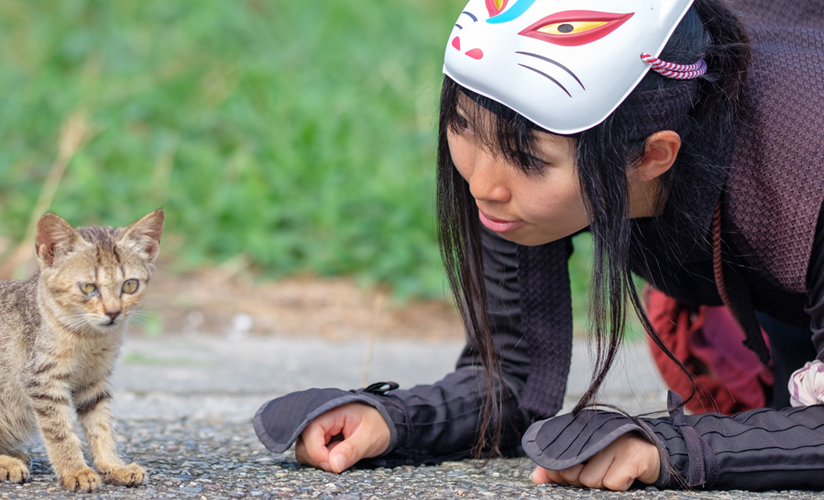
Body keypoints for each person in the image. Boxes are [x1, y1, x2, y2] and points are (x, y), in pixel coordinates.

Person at [253, 0, 824, 491]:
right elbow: (513, 375)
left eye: (528, 160)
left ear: (652, 155)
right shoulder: (519, 167)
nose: (482, 184)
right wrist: (394, 419)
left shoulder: (806, 169)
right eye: (462, 126)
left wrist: (671, 447)